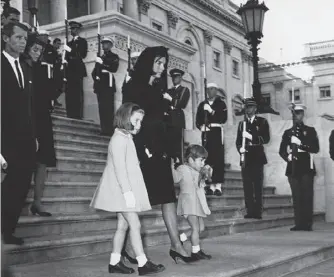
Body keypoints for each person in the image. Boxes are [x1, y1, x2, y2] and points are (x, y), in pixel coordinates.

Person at [123, 46, 196, 263]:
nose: (162, 67)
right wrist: (139, 148)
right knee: (139, 200)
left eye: (164, 63)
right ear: (147, 62)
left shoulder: (159, 89)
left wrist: (173, 152)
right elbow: (129, 120)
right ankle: (128, 247)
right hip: (143, 150)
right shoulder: (133, 86)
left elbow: (167, 122)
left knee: (167, 197)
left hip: (160, 149)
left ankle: (176, 245)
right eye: (158, 62)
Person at [90, 103, 165, 275]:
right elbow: (119, 169)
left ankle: (114, 261)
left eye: (140, 122)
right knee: (135, 225)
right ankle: (142, 262)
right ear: (125, 118)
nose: (139, 125)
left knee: (122, 226)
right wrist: (127, 192)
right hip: (121, 191)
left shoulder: (126, 138)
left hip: (123, 190)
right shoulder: (118, 140)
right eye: (136, 120)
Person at [1, 22, 36, 245]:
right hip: (4, 139)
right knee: (5, 188)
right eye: (18, 37)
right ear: (6, 38)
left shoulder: (24, 67)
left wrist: (33, 136)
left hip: (24, 140)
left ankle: (8, 230)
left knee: (20, 186)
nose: (23, 42)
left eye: (25, 38)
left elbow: (28, 106)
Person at [22, 32, 57, 217]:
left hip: (43, 118)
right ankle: (18, 201)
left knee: (42, 162)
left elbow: (49, 91)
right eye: (35, 49)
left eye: (40, 50)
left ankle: (37, 202)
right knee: (27, 161)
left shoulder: (42, 69)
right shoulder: (22, 66)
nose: (37, 53)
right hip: (27, 118)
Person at [279, 104, 319, 231]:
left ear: (303, 115)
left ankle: (307, 224)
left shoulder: (310, 130)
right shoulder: (288, 132)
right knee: (296, 196)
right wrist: (287, 157)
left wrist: (301, 145)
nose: (297, 116)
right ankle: (299, 223)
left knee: (307, 195)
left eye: (299, 113)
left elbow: (315, 148)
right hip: (292, 167)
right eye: (294, 114)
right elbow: (281, 151)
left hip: (306, 165)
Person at [172, 145, 212, 261]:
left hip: (197, 203)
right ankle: (196, 251)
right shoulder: (183, 169)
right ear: (190, 160)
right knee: (195, 228)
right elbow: (175, 179)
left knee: (201, 228)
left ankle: (183, 238)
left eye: (204, 160)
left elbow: (202, 184)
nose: (203, 163)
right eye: (201, 160)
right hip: (188, 202)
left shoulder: (197, 171)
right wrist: (171, 166)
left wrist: (206, 174)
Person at [236, 97, 270, 219]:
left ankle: (257, 211)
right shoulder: (242, 124)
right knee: (247, 186)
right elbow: (238, 141)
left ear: (255, 109)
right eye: (247, 107)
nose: (248, 109)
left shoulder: (262, 122)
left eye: (250, 107)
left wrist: (251, 136)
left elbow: (265, 139)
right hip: (246, 156)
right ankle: (250, 210)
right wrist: (240, 149)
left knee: (257, 185)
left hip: (257, 156)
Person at [196, 83, 227, 196]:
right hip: (206, 132)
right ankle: (209, 185)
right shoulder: (202, 104)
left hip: (217, 132)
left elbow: (223, 118)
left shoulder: (221, 104)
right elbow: (198, 119)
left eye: (213, 89)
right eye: (208, 89)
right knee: (206, 158)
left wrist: (211, 111)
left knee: (217, 158)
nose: (210, 91)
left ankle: (217, 186)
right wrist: (201, 126)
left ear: (216, 90)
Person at [92, 36, 119, 136]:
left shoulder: (114, 56)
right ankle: (104, 128)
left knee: (108, 107)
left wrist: (102, 63)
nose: (104, 45)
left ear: (111, 45)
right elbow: (94, 72)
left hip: (108, 83)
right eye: (103, 43)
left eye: (106, 43)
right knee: (102, 108)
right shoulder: (101, 57)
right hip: (100, 85)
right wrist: (96, 78)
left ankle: (109, 129)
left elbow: (114, 68)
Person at [164, 68, 190, 165]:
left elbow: (181, 104)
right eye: (173, 77)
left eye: (177, 77)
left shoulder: (184, 90)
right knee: (168, 145)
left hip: (177, 119)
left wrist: (170, 99)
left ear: (180, 78)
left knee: (178, 146)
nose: (175, 79)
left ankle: (180, 164)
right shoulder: (168, 90)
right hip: (168, 120)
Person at [65, 21, 88, 119]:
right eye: (71, 29)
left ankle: (78, 114)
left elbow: (82, 54)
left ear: (78, 30)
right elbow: (66, 57)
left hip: (78, 68)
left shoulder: (82, 41)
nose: (71, 30)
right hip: (70, 68)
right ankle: (70, 113)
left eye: (73, 29)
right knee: (69, 92)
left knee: (78, 92)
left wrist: (71, 51)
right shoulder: (68, 43)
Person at [52, 38, 64, 107]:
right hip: (53, 72)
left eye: (60, 44)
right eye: (57, 44)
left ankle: (54, 99)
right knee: (55, 87)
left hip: (58, 72)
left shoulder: (57, 52)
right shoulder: (52, 51)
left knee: (61, 87)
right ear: (54, 43)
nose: (59, 45)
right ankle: (53, 100)